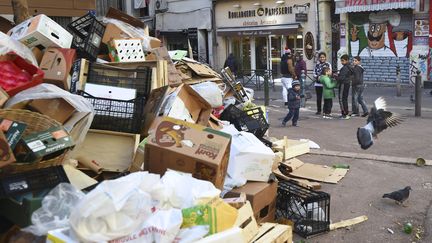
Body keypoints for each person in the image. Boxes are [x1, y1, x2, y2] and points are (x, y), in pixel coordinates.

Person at [337, 54, 353, 119]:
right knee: (345, 99)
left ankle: (344, 113)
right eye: (341, 61)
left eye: (343, 61)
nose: (341, 62)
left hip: (343, 84)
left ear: (347, 60)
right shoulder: (350, 67)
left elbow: (341, 78)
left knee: (341, 99)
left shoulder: (345, 68)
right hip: (347, 83)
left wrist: (335, 76)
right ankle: (346, 112)